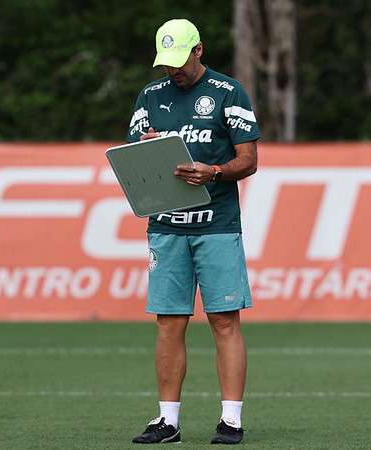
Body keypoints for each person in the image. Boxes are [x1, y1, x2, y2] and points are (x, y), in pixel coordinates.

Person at [126, 18, 260, 445]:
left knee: (223, 320)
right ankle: (168, 421)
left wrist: (215, 171)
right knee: (169, 322)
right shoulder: (150, 97)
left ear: (199, 50)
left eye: (180, 61)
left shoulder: (228, 93)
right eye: (166, 63)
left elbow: (249, 159)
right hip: (165, 225)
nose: (173, 70)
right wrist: (143, 147)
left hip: (217, 225)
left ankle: (231, 420)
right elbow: (134, 158)